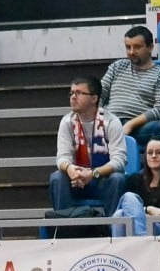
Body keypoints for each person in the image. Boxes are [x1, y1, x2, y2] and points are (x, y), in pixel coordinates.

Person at [50, 76, 127, 215]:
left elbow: (119, 161)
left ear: (94, 98)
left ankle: (113, 229)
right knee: (57, 177)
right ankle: (64, 229)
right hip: (76, 180)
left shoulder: (111, 121)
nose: (73, 97)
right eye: (71, 93)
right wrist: (70, 169)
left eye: (79, 93)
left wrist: (94, 174)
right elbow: (62, 158)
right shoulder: (67, 121)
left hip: (102, 179)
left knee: (118, 179)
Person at [100, 26, 160, 148]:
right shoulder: (117, 67)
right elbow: (99, 93)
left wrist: (130, 125)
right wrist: (98, 117)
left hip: (139, 128)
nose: (131, 52)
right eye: (128, 47)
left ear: (150, 47)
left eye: (137, 47)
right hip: (109, 122)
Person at [111, 136, 160, 236]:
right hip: (141, 226)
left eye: (159, 153)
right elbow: (127, 207)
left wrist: (143, 215)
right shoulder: (134, 180)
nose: (154, 156)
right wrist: (148, 209)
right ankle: (140, 240)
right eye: (150, 153)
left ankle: (136, 242)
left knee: (125, 206)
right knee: (120, 214)